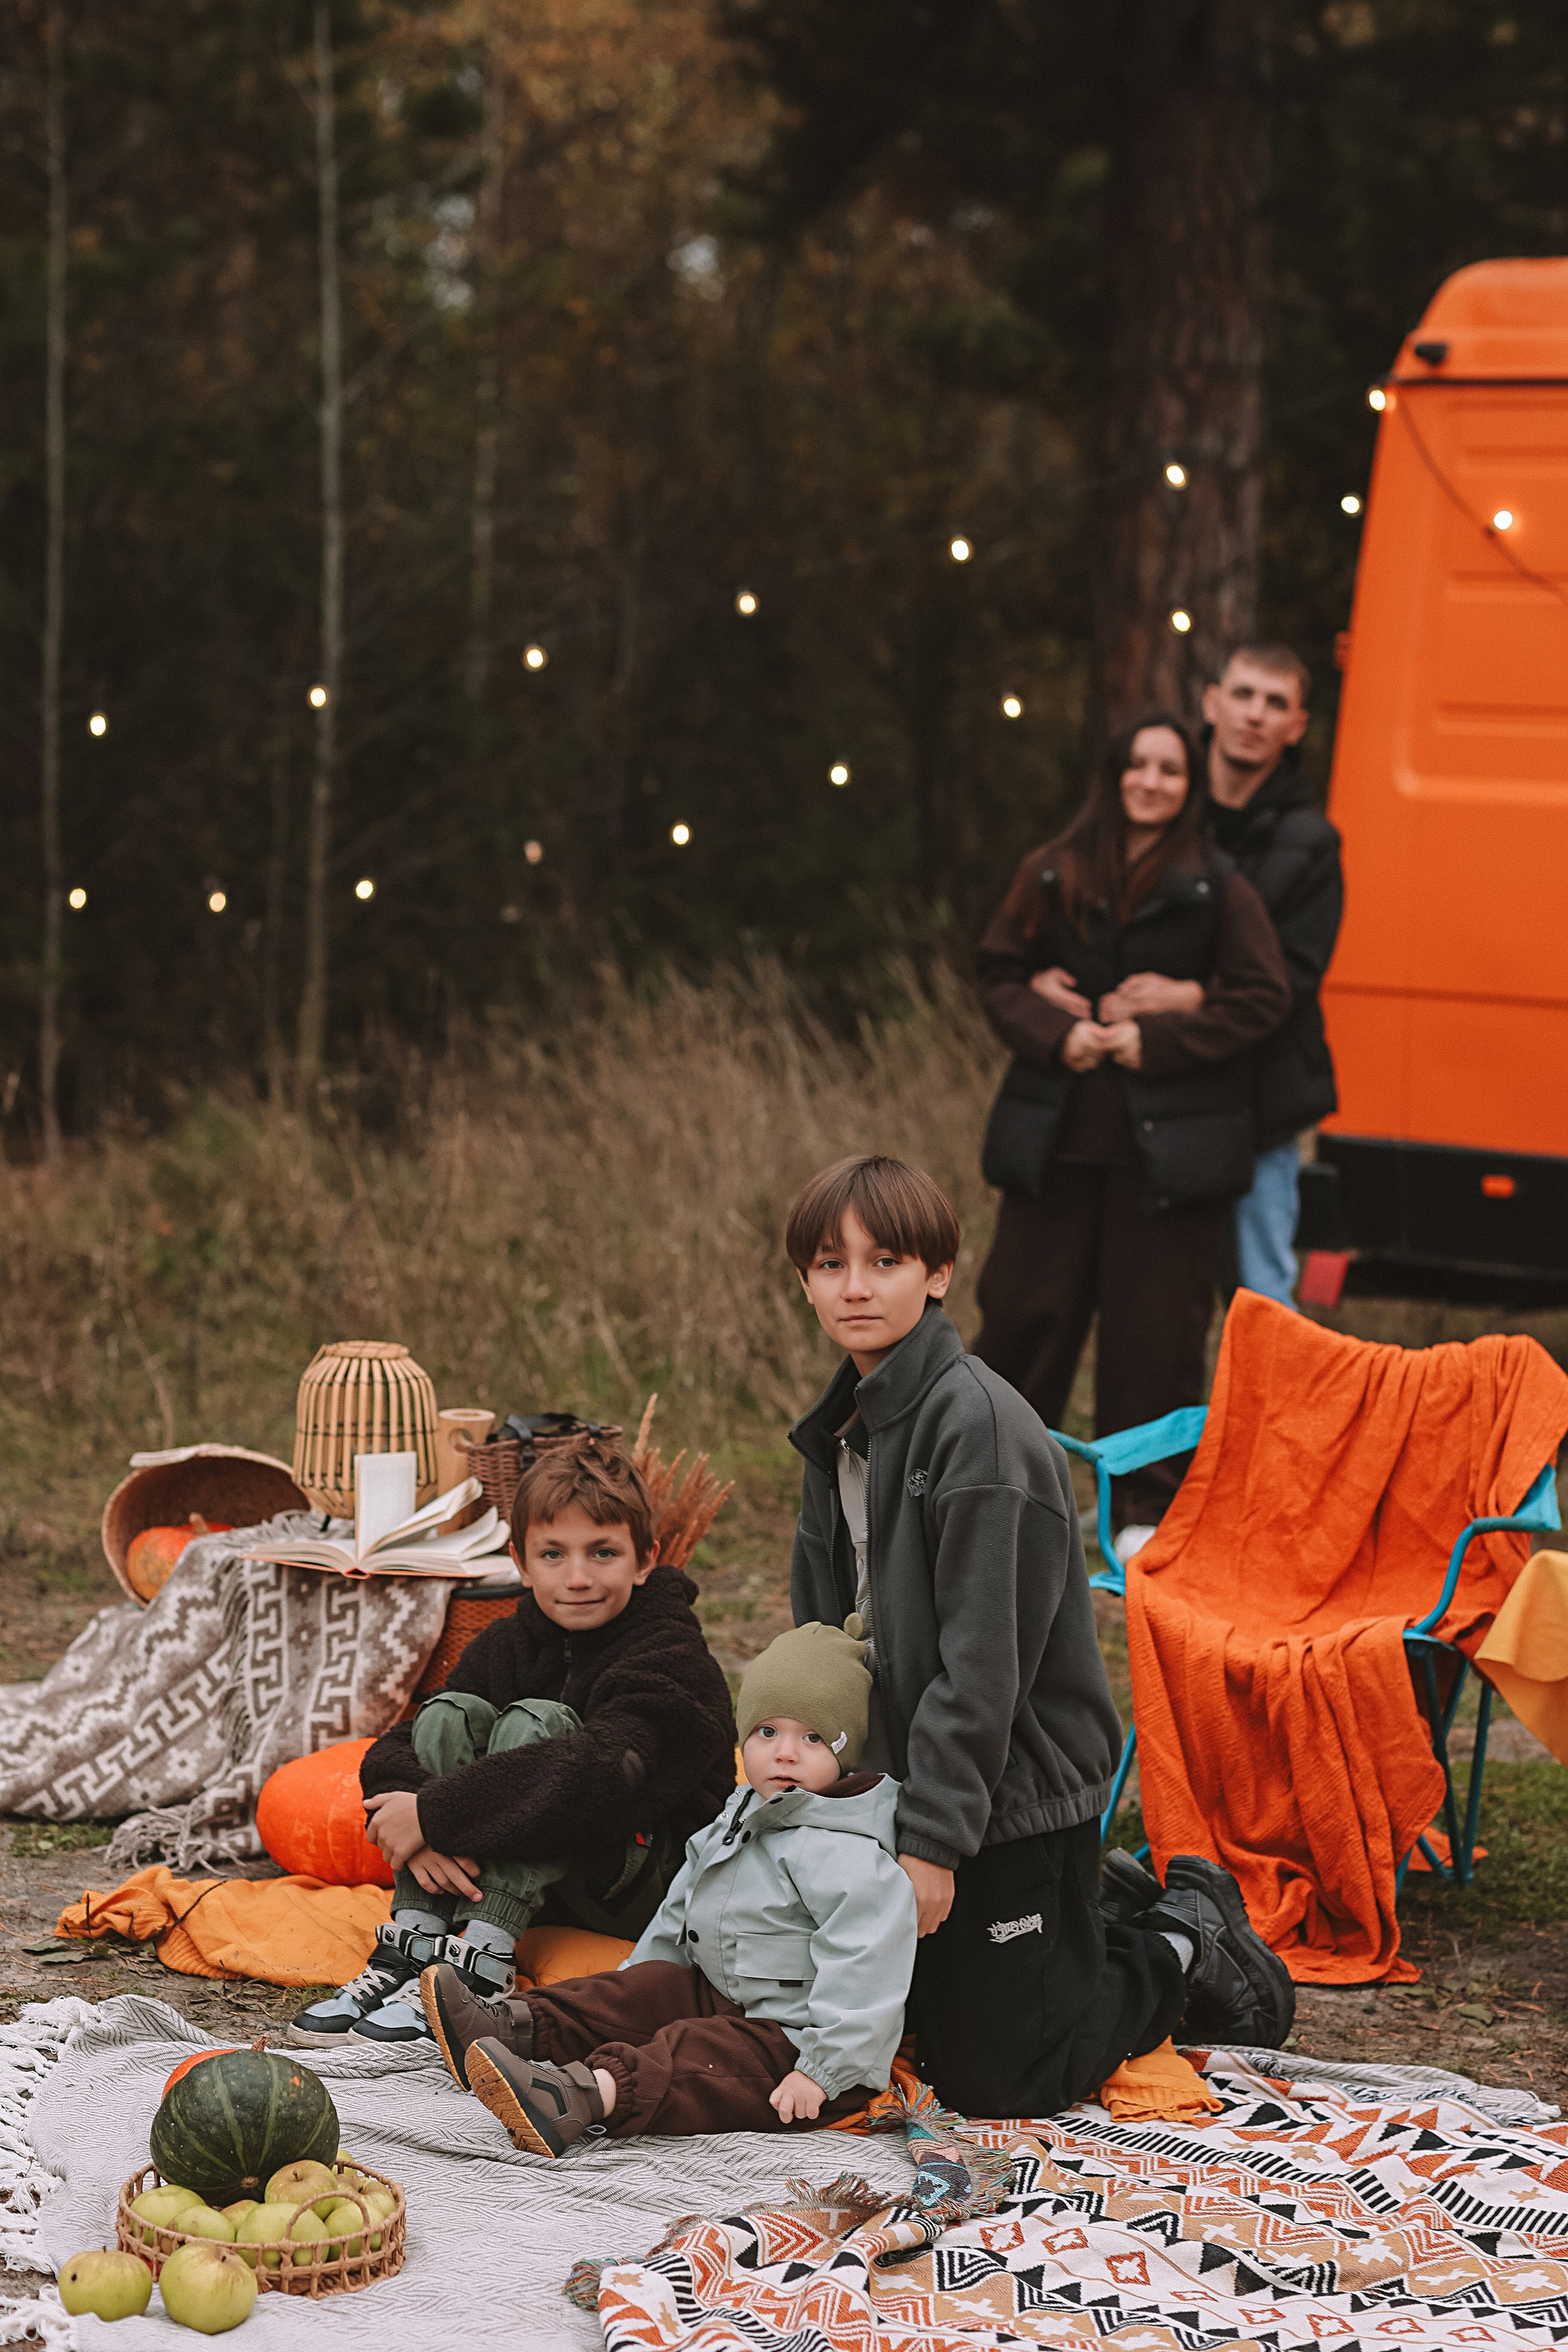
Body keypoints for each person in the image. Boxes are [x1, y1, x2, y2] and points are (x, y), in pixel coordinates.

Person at [785, 1152, 1294, 2122]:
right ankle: (1091, 1916)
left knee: (998, 2077)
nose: (855, 1287)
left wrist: (932, 1845)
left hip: (1014, 1787)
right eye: (830, 1264)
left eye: (885, 1261)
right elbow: (818, 1634)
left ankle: (1182, 1940)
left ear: (939, 1273)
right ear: (804, 1282)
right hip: (910, 1776)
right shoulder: (839, 1434)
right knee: (892, 2029)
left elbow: (983, 1672)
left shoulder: (977, 1430)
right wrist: (814, 1776)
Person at [286, 1441, 736, 2051]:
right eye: (553, 1554)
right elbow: (402, 1741)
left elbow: (604, 1776)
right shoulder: (511, 1642)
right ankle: (416, 1943)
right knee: (450, 1715)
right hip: (531, 1872)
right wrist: (415, 1821)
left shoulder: (672, 1657)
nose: (577, 1578)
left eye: (603, 1553)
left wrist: (435, 1815)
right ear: (520, 1563)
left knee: (538, 1726)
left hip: (644, 1881)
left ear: (644, 1560)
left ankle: (482, 1967)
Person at [417, 1619, 919, 2155]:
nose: (785, 1753)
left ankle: (575, 2098)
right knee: (635, 1992)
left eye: (813, 1738)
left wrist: (823, 2072)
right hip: (721, 1996)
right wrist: (632, 1997)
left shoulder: (850, 1852)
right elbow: (677, 1916)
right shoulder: (735, 1821)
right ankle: (508, 2028)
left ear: (846, 1753)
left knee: (695, 2050)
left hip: (797, 2047)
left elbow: (867, 1974)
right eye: (767, 1732)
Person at [971, 710, 1291, 1547]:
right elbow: (998, 973)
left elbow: (1264, 997)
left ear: (1189, 787)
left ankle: (1142, 1511)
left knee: (1153, 1345)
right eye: (1138, 765)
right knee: (1021, 1322)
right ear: (1114, 774)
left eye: (1170, 770)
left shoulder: (1217, 885)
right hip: (1056, 1146)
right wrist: (1057, 1032)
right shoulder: (1052, 870)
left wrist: (1162, 1036)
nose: (1152, 782)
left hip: (1170, 1161)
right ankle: (991, 1496)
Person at [1202, 644, 1344, 1306]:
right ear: (1213, 704)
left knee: (1261, 1294)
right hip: (1160, 1097)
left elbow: (1291, 979)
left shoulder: (1312, 843)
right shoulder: (1160, 811)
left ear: (1296, 726)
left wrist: (1191, 997)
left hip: (1262, 1100)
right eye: (1244, 695)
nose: (1255, 714)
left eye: (1275, 702)